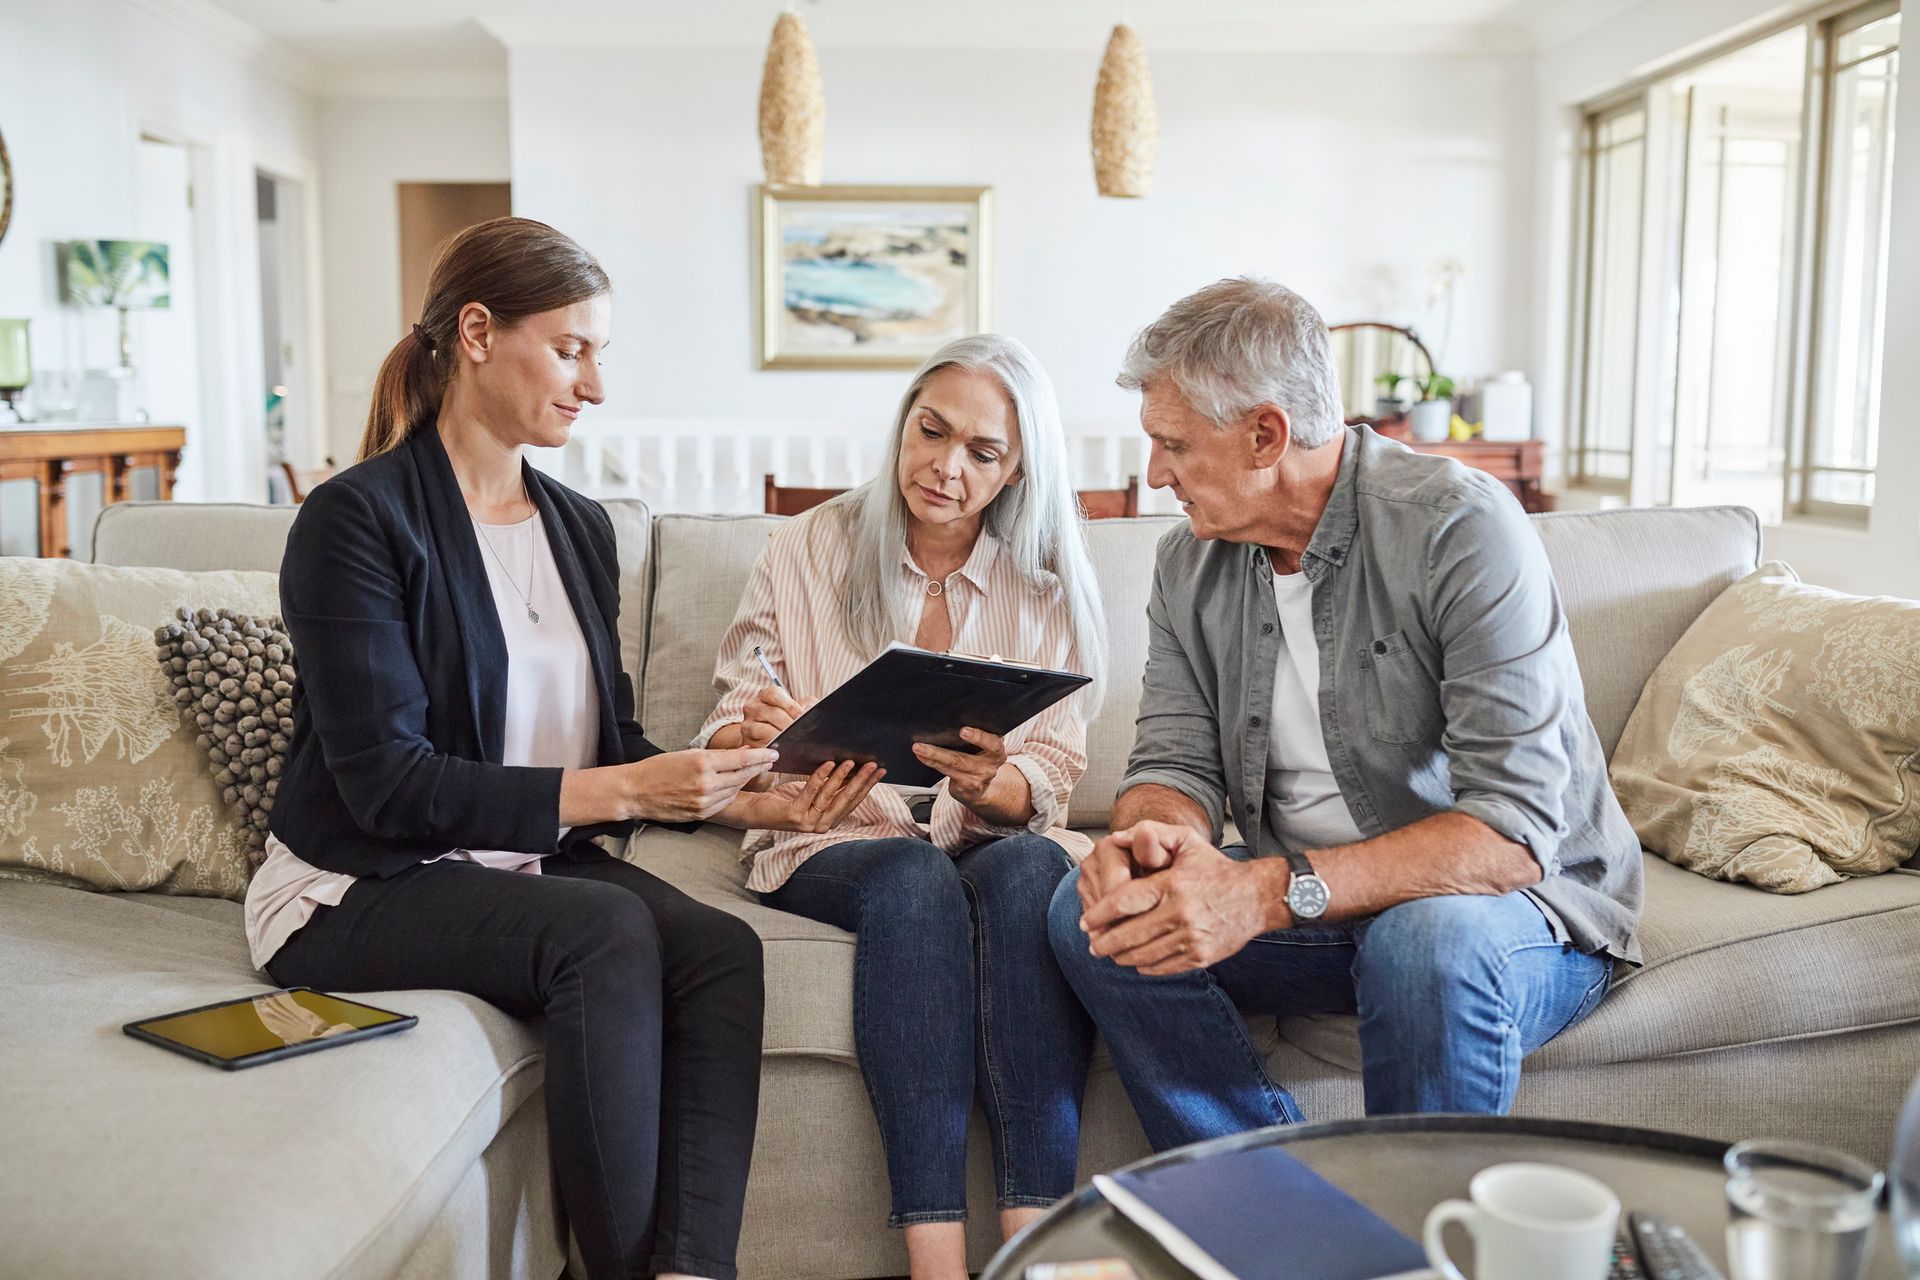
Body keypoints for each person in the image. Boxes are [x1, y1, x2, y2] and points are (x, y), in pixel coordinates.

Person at [252, 217, 881, 1280]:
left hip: (519, 866)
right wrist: (637, 782)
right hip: (358, 881)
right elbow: (385, 783)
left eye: (601, 355)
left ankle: (689, 1268)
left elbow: (608, 748)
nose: (593, 384)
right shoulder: (357, 521)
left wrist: (739, 794)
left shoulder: (582, 526)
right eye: (571, 348)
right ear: (480, 331)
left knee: (720, 949)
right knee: (601, 930)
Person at [1047, 277, 1643, 1151]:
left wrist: (1263, 889)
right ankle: (1270, 1196)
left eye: (1173, 443)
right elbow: (1172, 760)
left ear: (1265, 434)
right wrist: (1153, 839)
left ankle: (1415, 1245)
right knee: (1087, 911)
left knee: (1423, 940)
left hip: (1517, 909)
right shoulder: (1189, 563)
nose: (1155, 474)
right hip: (1321, 909)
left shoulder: (1457, 529)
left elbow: (1509, 834)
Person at [697, 334, 1108, 1280]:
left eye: (982, 453)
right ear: (903, 425)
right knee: (915, 878)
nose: (946, 467)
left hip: (982, 835)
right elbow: (724, 727)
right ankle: (936, 1262)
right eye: (932, 431)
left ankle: (1034, 1242)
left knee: (1033, 871)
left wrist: (992, 782)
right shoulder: (807, 546)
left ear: (1015, 474)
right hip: (832, 836)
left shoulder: (1041, 587)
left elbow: (1050, 776)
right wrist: (764, 733)